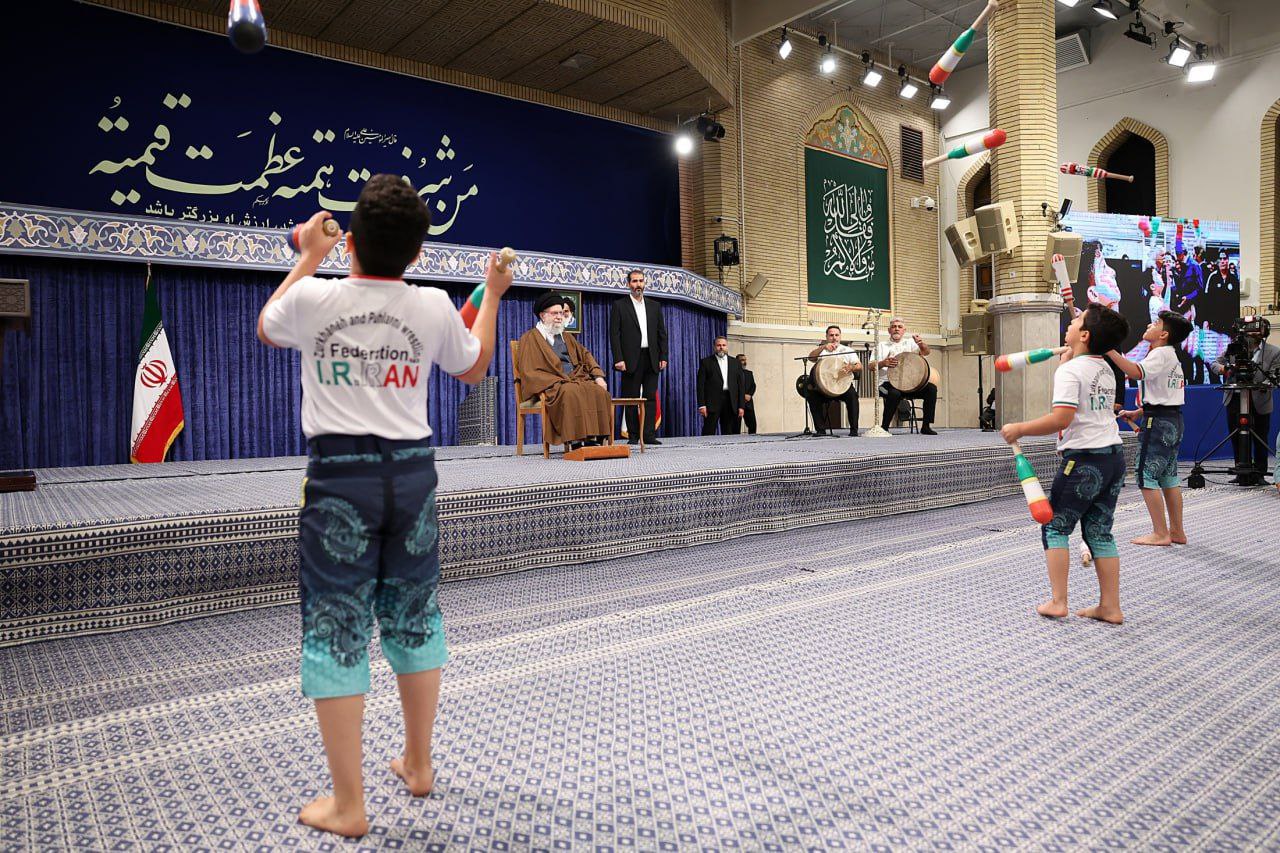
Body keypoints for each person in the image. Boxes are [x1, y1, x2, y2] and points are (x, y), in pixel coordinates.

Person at [256, 175, 512, 837]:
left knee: (338, 625)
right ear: (419, 252)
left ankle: (349, 805)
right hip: (413, 478)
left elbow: (267, 325)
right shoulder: (431, 304)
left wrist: (309, 255)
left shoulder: (314, 295)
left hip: (341, 481)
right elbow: (474, 365)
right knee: (414, 615)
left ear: (351, 243)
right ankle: (418, 765)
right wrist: (491, 294)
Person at [1001, 304, 1130, 624]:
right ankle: (1110, 607)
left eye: (1078, 320)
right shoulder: (1104, 368)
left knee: (1055, 526)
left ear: (1084, 335)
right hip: (1113, 457)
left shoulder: (1070, 371)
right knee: (1099, 532)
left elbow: (1061, 418)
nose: (1071, 322)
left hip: (1084, 460)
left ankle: (1059, 601)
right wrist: (1067, 361)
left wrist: (1019, 429)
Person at [1109, 310, 1194, 546]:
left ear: (1164, 334)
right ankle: (1176, 531)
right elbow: (1166, 394)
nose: (1149, 324)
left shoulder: (1159, 354)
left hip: (1157, 424)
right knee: (1168, 476)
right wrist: (1139, 412)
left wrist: (1110, 350)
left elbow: (1136, 372)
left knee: (1145, 474)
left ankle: (1160, 533)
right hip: (1172, 419)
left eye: (1156, 323)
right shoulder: (1171, 356)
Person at [515, 292, 613, 450]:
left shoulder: (567, 337)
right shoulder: (530, 338)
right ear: (542, 315)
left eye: (561, 313)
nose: (559, 317)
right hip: (551, 384)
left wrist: (598, 376)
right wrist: (558, 380)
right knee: (570, 391)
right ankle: (574, 440)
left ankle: (592, 439)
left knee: (598, 391)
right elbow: (529, 371)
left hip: (575, 379)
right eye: (554, 313)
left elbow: (585, 355)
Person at [1210, 318, 1279, 483]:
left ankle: (1259, 473)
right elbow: (1215, 364)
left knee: (1260, 437)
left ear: (1264, 333)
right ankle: (1241, 472)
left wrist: (1265, 384)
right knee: (1236, 436)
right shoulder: (1233, 348)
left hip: (1260, 400)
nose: (1251, 334)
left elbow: (1275, 374)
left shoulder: (1274, 351)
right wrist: (1224, 369)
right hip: (1234, 399)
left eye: (1255, 330)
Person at [609, 270, 668, 445]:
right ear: (628, 284)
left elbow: (661, 334)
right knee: (631, 398)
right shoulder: (619, 305)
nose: (638, 284)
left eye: (641, 281)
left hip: (652, 357)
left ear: (644, 283)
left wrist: (663, 355)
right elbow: (614, 334)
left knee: (650, 397)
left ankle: (648, 435)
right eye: (634, 281)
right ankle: (634, 435)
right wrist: (618, 358)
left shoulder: (654, 306)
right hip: (629, 359)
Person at [869, 317, 936, 435]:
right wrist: (883, 363)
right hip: (887, 383)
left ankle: (926, 426)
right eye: (894, 327)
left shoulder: (910, 343)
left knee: (931, 389)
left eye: (899, 327)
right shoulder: (881, 345)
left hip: (910, 384)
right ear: (889, 330)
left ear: (904, 330)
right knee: (894, 393)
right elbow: (870, 366)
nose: (896, 329)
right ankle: (884, 427)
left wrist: (920, 343)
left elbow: (926, 352)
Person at [805, 325, 861, 436]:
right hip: (823, 387)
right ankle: (820, 430)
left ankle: (854, 430)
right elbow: (811, 358)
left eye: (836, 335)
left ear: (840, 336)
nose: (834, 337)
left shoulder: (847, 350)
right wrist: (823, 347)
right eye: (831, 335)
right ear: (826, 337)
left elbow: (859, 366)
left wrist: (851, 367)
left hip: (842, 386)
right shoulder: (822, 350)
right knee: (812, 396)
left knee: (853, 396)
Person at [696, 336, 745, 435]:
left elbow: (741, 386)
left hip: (731, 402)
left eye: (723, 345)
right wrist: (702, 405)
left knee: (729, 433)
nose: (721, 347)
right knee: (708, 431)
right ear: (714, 347)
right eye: (718, 345)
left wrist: (741, 406)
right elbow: (700, 385)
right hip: (712, 402)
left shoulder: (735, 363)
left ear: (727, 346)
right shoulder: (706, 362)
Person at [737, 353, 757, 434]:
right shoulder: (732, 373)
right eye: (742, 360)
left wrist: (749, 394)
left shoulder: (749, 373)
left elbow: (753, 385)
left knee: (753, 425)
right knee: (736, 427)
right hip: (737, 404)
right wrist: (742, 396)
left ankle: (753, 440)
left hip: (748, 403)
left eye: (745, 360)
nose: (744, 362)